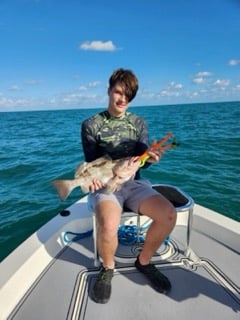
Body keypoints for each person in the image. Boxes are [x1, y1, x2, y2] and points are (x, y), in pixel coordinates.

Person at [81, 68, 177, 304]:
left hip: (133, 182)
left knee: (168, 215)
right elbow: (91, 163)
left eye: (128, 95)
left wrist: (151, 158)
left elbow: (141, 159)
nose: (123, 99)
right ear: (109, 90)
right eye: (118, 92)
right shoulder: (91, 124)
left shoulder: (138, 123)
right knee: (109, 224)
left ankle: (143, 261)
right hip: (106, 184)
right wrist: (93, 179)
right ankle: (108, 268)